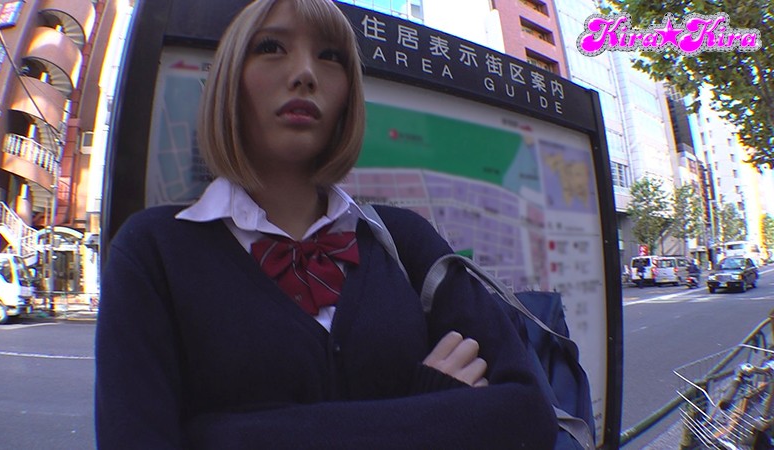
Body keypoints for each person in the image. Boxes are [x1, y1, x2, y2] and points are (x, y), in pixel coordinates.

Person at [95, 0, 557, 448]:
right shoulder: (154, 250)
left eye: (330, 56)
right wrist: (432, 410)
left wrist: (223, 436)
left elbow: (528, 413)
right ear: (229, 79)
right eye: (271, 47)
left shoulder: (406, 241)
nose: (305, 73)